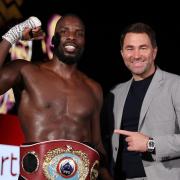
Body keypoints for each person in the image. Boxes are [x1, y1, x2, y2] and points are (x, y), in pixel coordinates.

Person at [0, 14, 112, 180]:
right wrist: (12, 35)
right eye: (65, 31)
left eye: (79, 33)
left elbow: (96, 145)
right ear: (53, 39)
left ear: (84, 42)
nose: (72, 37)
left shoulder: (93, 88)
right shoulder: (26, 71)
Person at [101, 22, 180, 180]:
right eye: (130, 48)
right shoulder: (115, 93)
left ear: (154, 52)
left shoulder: (176, 85)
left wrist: (150, 143)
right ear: (122, 53)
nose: (136, 55)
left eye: (143, 48)